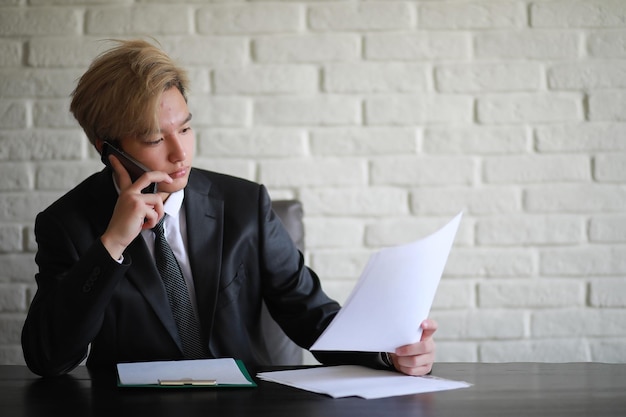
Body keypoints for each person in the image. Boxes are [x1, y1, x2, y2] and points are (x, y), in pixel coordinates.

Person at [21, 39, 437, 378]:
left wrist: (387, 352)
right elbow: (49, 359)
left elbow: (309, 314)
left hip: (245, 404)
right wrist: (111, 244)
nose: (180, 153)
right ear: (107, 149)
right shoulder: (67, 223)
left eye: (185, 128)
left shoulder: (244, 205)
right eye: (153, 139)